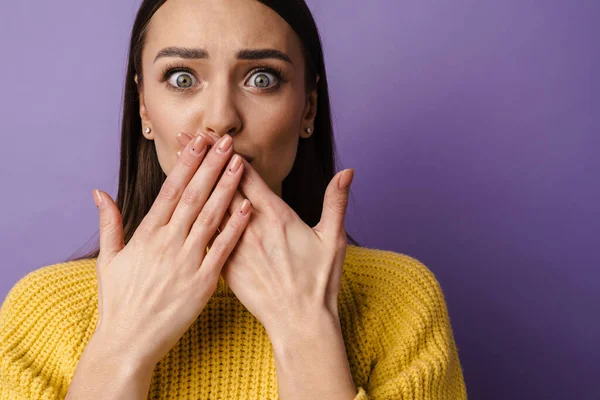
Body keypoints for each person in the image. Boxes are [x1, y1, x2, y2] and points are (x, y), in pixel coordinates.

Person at [0, 0, 467, 398]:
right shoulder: (46, 310)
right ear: (144, 106)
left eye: (262, 78)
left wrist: (304, 329)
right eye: (182, 78)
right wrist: (121, 345)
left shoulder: (397, 299)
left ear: (307, 106)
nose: (221, 118)